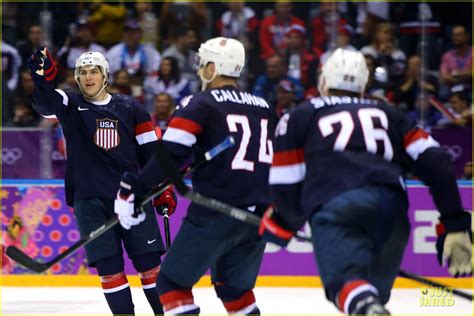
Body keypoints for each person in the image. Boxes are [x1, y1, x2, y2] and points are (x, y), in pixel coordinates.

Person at [259, 48, 472, 315]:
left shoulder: (300, 115)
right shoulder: (390, 114)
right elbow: (438, 163)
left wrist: (281, 223)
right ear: (363, 84)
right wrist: (454, 224)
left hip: (337, 204)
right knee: (368, 295)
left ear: (323, 80)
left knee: (345, 285)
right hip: (393, 210)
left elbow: (287, 180)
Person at [114, 37, 274, 315]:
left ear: (213, 68)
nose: (200, 69)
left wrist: (135, 188)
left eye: (203, 63)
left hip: (216, 210)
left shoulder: (201, 103)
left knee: (171, 284)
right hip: (257, 216)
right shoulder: (264, 108)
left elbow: (170, 154)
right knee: (235, 290)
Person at [27, 47, 177, 315]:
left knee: (149, 265)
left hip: (133, 199)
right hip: (90, 201)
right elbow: (45, 104)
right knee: (109, 270)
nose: (87, 76)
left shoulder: (131, 108)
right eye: (82, 72)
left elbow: (152, 152)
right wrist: (43, 80)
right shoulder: (69, 104)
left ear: (105, 75)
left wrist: (162, 187)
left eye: (93, 71)